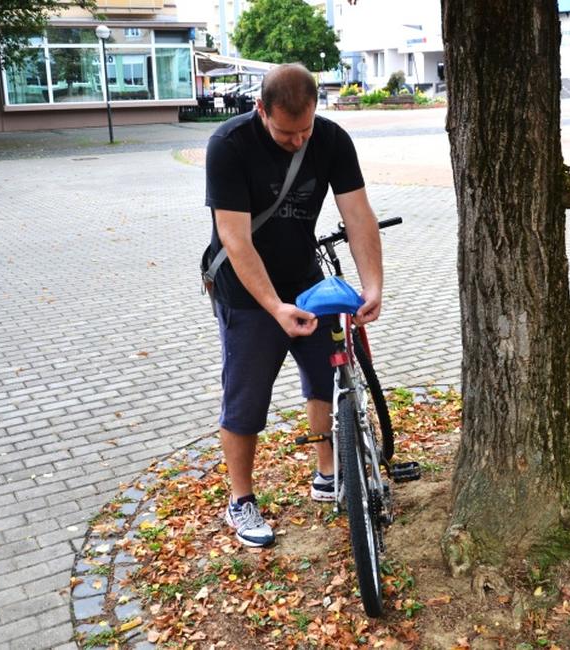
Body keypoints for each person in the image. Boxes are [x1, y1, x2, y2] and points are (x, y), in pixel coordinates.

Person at [204, 63, 384, 547]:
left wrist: (373, 286)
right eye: (286, 132)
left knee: (326, 370)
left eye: (305, 128)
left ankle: (328, 471)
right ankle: (240, 500)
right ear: (261, 110)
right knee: (246, 399)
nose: (298, 140)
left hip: (306, 279)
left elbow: (358, 215)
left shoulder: (331, 140)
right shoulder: (229, 145)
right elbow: (235, 239)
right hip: (246, 292)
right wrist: (274, 307)